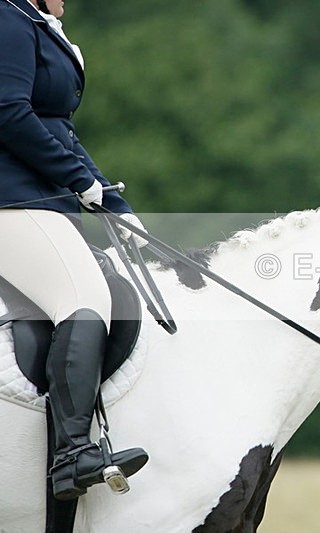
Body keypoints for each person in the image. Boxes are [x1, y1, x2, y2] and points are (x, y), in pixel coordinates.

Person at [0, 0, 149, 500]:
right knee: (84, 300)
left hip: (40, 199)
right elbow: (8, 112)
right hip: (10, 200)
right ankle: (72, 456)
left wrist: (110, 198)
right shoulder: (6, 17)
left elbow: (58, 127)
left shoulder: (32, 22)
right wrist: (80, 180)